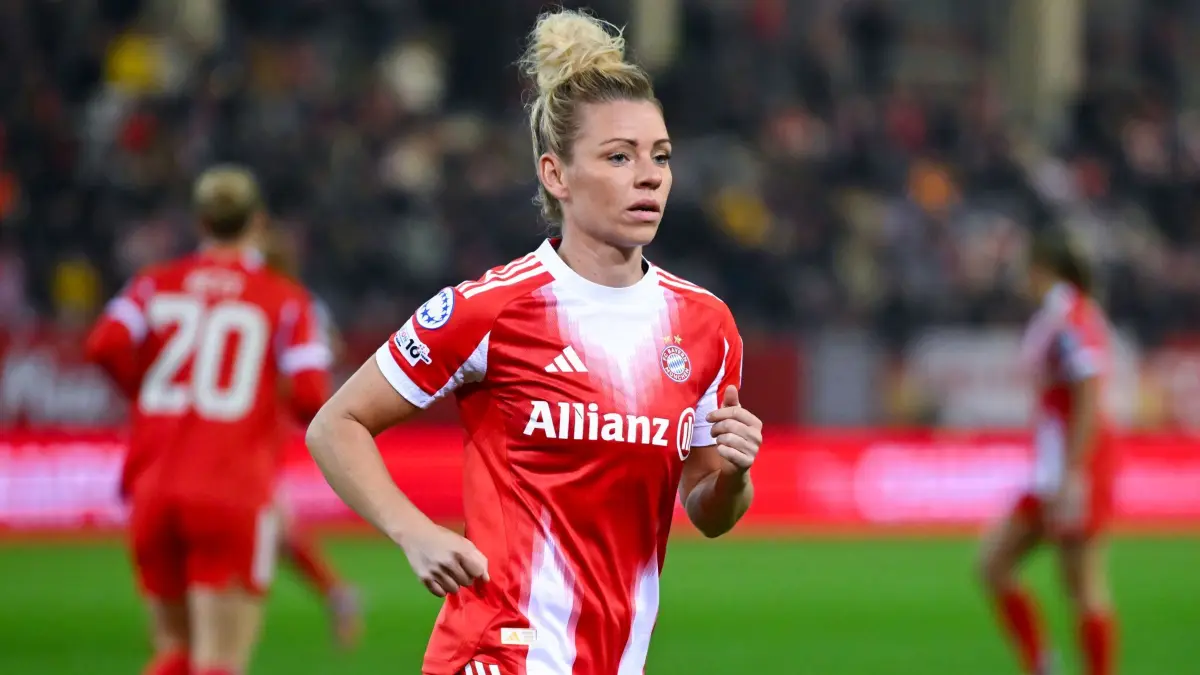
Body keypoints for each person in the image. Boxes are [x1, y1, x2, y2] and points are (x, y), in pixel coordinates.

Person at [305, 9, 764, 675]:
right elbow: (335, 422)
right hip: (497, 651)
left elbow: (710, 508)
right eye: (619, 156)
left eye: (660, 155)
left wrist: (735, 474)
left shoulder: (704, 323)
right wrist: (412, 531)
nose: (650, 175)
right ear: (556, 175)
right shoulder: (492, 307)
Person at [84, 166, 332, 675]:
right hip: (230, 487)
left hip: (152, 484)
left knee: (175, 651)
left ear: (200, 222)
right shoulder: (284, 300)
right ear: (258, 222)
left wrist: (148, 396)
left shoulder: (153, 284)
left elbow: (103, 344)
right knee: (220, 660)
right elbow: (311, 398)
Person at [978, 230, 1118, 675]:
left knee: (1082, 582)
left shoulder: (1070, 317)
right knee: (995, 564)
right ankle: (1042, 664)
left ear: (1042, 269)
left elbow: (1089, 394)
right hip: (1054, 467)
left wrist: (1076, 472)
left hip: (1076, 465)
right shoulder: (1061, 314)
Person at [259, 227, 363, 650]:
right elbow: (331, 350)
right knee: (273, 527)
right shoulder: (298, 304)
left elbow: (325, 355)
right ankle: (336, 594)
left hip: (259, 430)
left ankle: (336, 593)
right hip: (264, 427)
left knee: (268, 525)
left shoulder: (290, 304)